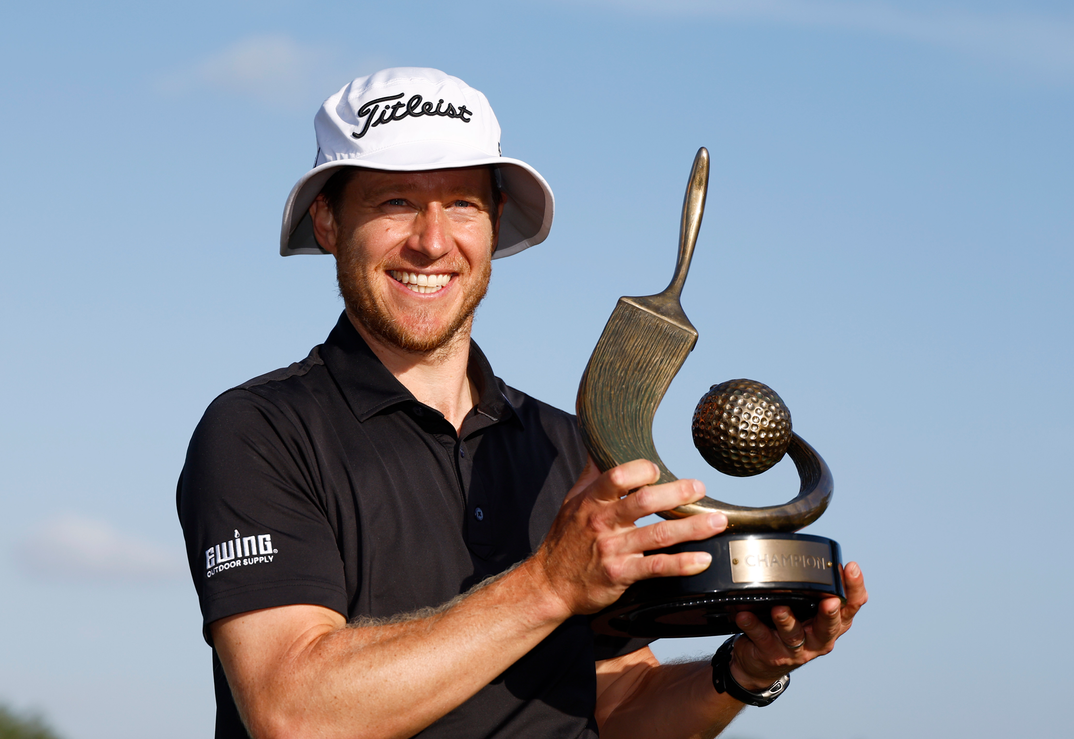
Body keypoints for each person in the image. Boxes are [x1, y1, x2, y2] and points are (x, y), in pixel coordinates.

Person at [177, 67, 866, 739]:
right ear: (327, 222)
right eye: (394, 203)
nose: (432, 240)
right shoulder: (258, 431)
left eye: (462, 205)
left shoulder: (567, 446)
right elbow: (293, 711)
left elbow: (616, 698)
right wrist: (549, 583)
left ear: (496, 223)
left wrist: (746, 671)